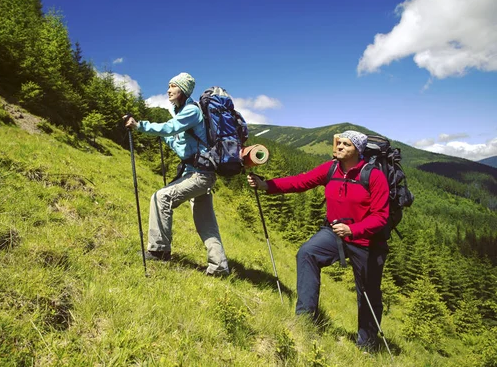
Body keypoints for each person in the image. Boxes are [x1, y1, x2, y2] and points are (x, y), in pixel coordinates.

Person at [247, 130, 389, 350]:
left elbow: (381, 217)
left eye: (346, 145)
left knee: (368, 293)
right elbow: (301, 181)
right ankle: (304, 320)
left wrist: (353, 229)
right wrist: (267, 186)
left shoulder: (374, 176)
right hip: (333, 232)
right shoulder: (331, 168)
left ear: (357, 150)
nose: (340, 147)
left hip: (367, 241)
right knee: (307, 253)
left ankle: (367, 344)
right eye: (339, 143)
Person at [124, 72, 230, 277]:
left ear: (183, 90)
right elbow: (182, 147)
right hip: (198, 173)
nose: (168, 90)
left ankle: (159, 251)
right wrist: (163, 137)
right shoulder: (184, 112)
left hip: (199, 175)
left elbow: (171, 127)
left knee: (161, 197)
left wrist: (141, 126)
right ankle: (219, 267)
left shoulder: (191, 111)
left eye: (173, 86)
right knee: (206, 223)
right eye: (169, 86)